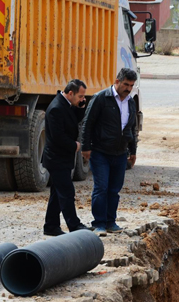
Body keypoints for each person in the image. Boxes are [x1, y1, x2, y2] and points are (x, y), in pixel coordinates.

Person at [81, 68, 139, 237]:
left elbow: (131, 128)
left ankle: (110, 222)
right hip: (100, 152)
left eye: (131, 85)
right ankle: (98, 223)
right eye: (126, 84)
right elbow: (87, 124)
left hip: (120, 154)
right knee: (101, 187)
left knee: (114, 189)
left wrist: (133, 151)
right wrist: (86, 147)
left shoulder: (130, 102)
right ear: (117, 82)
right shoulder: (101, 98)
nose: (128, 88)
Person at [42, 79, 91, 236]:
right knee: (67, 191)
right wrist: (74, 145)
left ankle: (51, 226)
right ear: (71, 93)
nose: (83, 99)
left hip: (62, 158)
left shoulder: (66, 104)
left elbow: (73, 119)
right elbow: (58, 137)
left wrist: (81, 106)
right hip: (56, 159)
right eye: (81, 96)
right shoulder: (56, 108)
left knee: (57, 193)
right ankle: (74, 225)